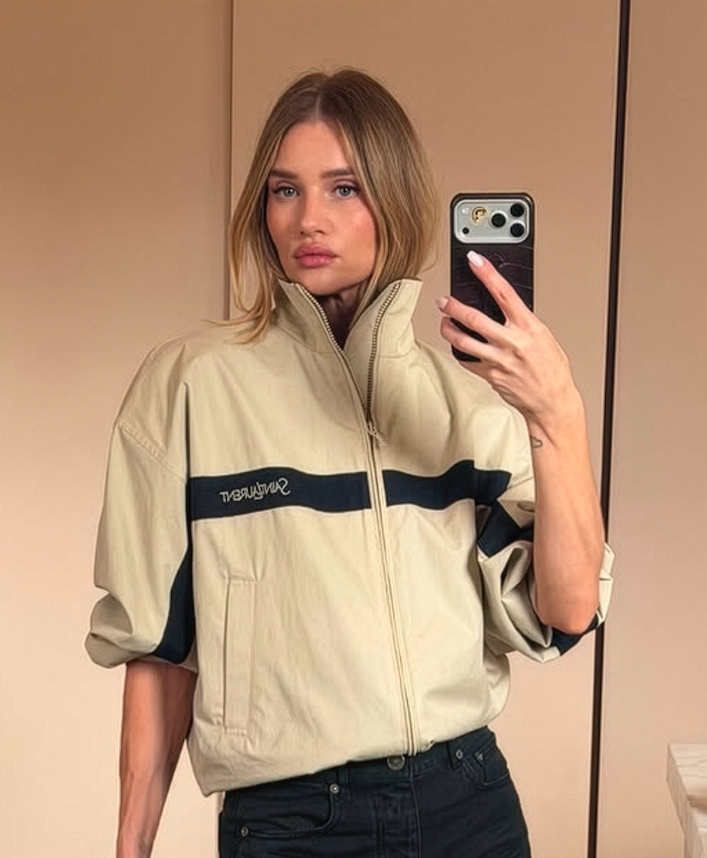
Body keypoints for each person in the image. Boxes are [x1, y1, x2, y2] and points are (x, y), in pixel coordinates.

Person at [86, 68, 613, 858]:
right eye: (284, 190)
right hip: (291, 823)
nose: (308, 219)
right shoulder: (190, 387)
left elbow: (565, 611)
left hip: (468, 806)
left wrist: (556, 414)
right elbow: (160, 654)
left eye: (343, 188)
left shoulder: (469, 404)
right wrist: (130, 850)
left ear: (394, 200)